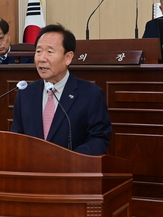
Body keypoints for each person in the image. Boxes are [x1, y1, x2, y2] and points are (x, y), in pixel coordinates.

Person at [11, 24, 111, 155]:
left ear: (68, 57)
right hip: (33, 170)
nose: (42, 59)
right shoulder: (26, 93)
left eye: (50, 52)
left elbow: (99, 139)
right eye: (38, 51)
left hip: (72, 171)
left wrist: (70, 160)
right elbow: (16, 137)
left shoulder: (91, 94)